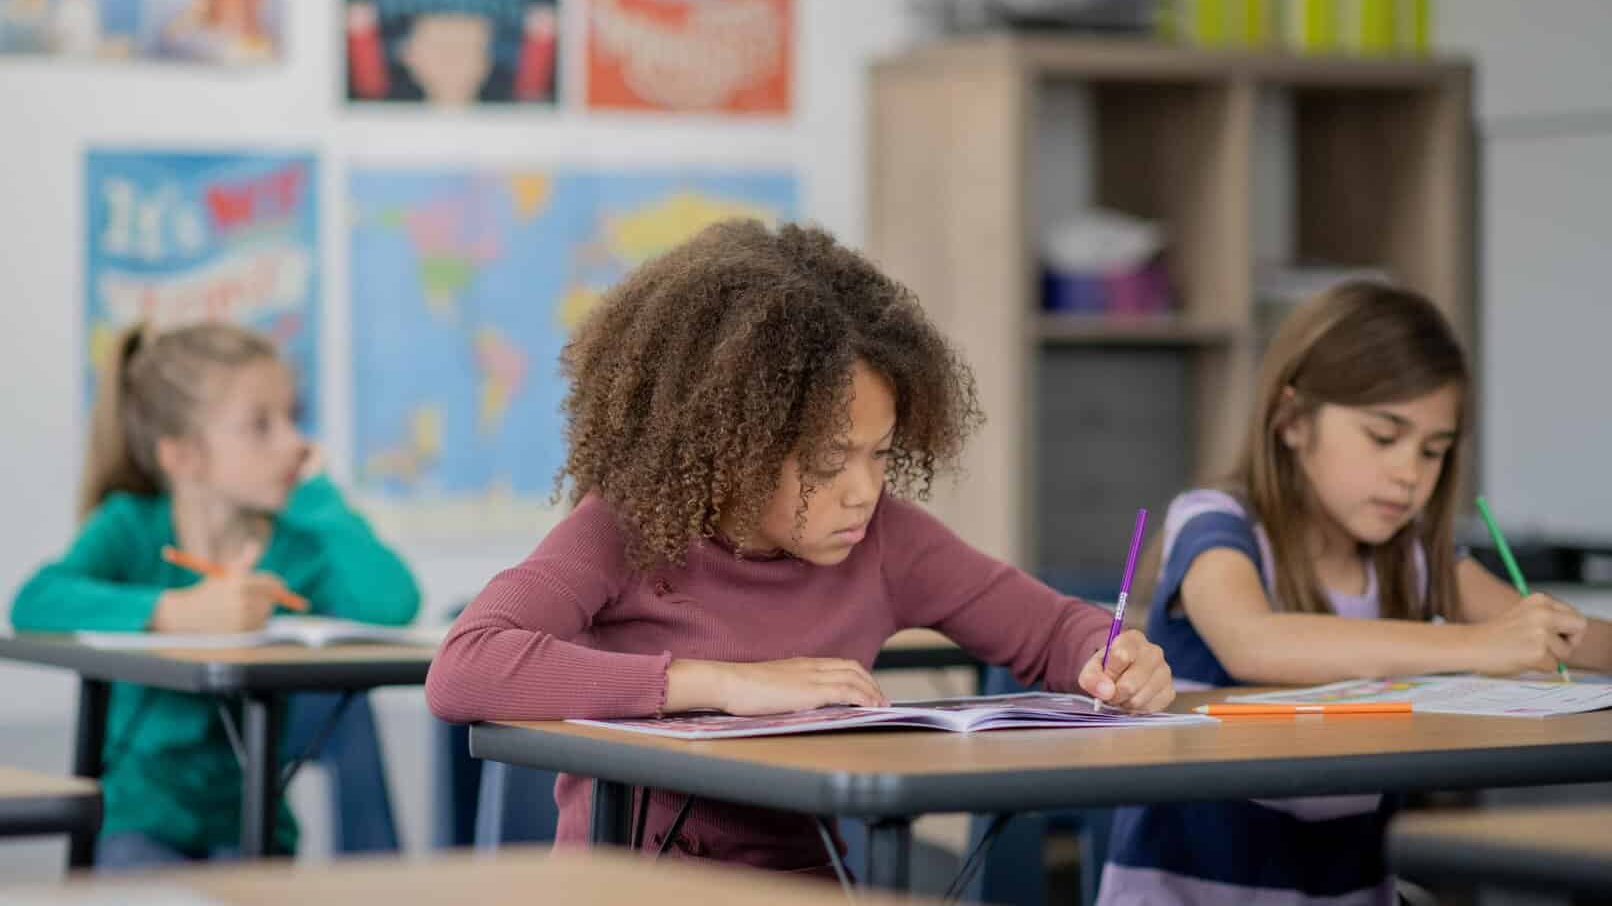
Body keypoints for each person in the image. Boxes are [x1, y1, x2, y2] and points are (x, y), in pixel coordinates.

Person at [427, 219, 1176, 876]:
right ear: (731, 445)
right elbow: (465, 667)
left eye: (881, 453)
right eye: (826, 463)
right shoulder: (626, 528)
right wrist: (721, 684)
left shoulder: (887, 542)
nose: (863, 491)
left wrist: (1109, 657)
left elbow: (1050, 630)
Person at [1098, 280, 1612, 905]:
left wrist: (1549, 634)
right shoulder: (1215, 522)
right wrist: (1479, 644)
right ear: (1291, 421)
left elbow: (1562, 636)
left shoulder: (1416, 556)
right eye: (1383, 436)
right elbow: (1254, 643)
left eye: (1434, 451)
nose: (1409, 474)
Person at [11, 321, 420, 867]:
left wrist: (318, 498)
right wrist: (173, 612)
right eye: (261, 426)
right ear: (183, 457)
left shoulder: (297, 545)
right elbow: (34, 601)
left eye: (292, 419)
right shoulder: (131, 528)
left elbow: (393, 603)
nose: (296, 443)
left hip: (252, 827)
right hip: (141, 823)